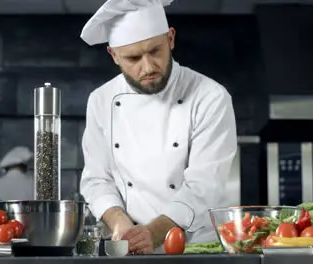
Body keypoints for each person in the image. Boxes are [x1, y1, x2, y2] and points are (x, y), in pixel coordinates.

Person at [79, 0, 238, 255]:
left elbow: (204, 184)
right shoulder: (101, 100)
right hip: (127, 245)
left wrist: (153, 233)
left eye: (155, 51)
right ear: (114, 55)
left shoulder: (210, 97)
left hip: (193, 247)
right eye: (133, 58)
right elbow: (96, 179)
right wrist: (119, 222)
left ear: (170, 38)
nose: (148, 66)